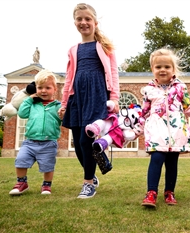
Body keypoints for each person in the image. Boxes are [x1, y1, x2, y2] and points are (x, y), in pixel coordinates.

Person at [58, 3, 120, 199]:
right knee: (78, 144)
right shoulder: (73, 49)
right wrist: (64, 102)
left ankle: (87, 184)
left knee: (87, 139)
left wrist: (114, 97)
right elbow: (69, 77)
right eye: (79, 19)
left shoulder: (104, 46)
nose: (83, 22)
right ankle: (93, 174)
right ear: (75, 22)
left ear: (95, 22)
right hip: (77, 97)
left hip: (97, 95)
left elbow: (114, 73)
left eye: (87, 19)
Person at [140, 48, 190, 208]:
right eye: (158, 67)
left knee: (172, 163)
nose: (162, 70)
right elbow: (144, 111)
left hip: (176, 132)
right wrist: (136, 127)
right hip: (156, 132)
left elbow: (188, 106)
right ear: (152, 69)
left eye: (166, 67)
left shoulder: (180, 87)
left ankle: (169, 192)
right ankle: (151, 193)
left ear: (173, 69)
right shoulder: (149, 89)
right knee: (156, 159)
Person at [9, 69, 61, 195]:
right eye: (40, 87)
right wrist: (30, 99)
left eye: (48, 88)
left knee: (48, 166)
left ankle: (46, 185)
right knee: (21, 161)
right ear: (35, 89)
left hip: (49, 142)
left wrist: (63, 113)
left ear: (55, 89)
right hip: (30, 142)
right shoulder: (32, 105)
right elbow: (22, 113)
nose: (43, 91)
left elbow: (64, 118)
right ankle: (22, 182)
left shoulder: (57, 106)